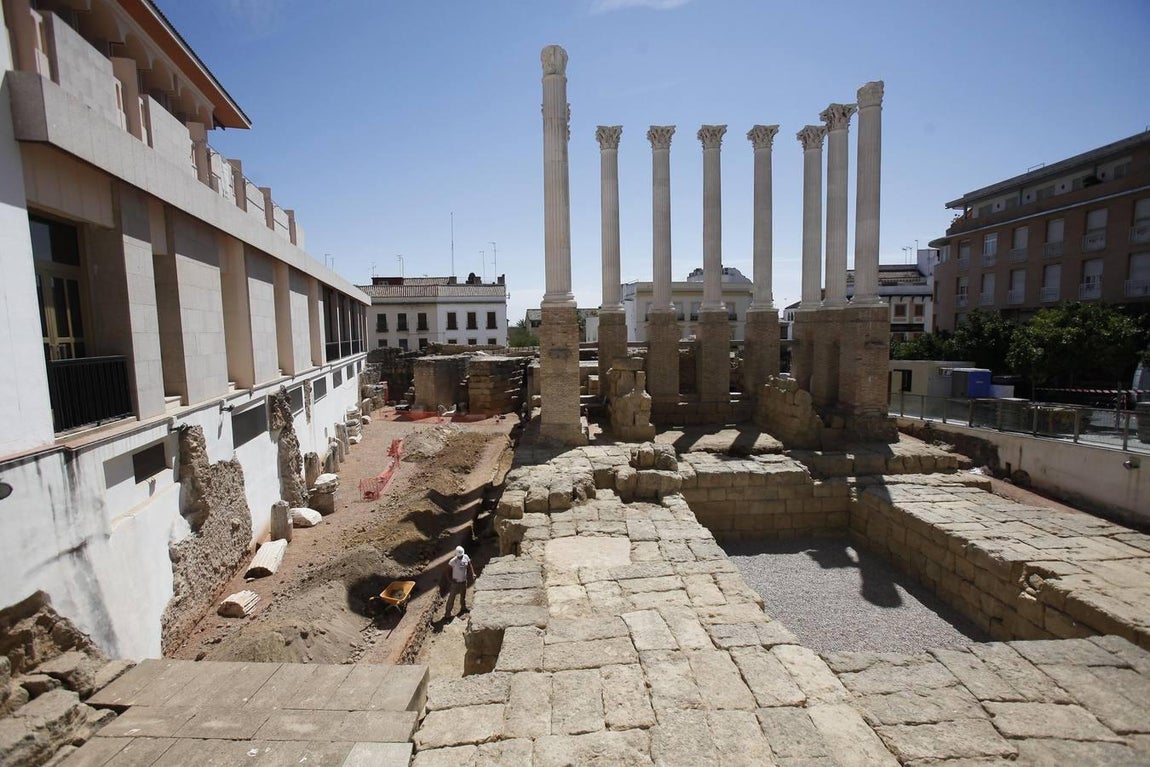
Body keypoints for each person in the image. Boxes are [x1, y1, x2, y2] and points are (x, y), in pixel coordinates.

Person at [444, 545, 475, 618]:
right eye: (459, 556)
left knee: (463, 595)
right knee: (452, 598)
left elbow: (469, 565)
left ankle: (463, 608)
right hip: (455, 583)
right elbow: (447, 572)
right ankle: (448, 612)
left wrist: (472, 573)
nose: (460, 557)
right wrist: (451, 580)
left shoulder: (466, 557)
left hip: (463, 581)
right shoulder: (452, 561)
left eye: (461, 556)